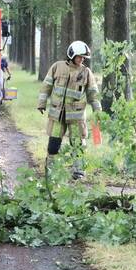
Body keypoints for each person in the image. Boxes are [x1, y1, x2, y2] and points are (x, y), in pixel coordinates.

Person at [37, 41, 101, 179]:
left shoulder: (86, 72)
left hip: (76, 117)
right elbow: (46, 85)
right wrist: (41, 103)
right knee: (54, 144)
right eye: (80, 57)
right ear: (71, 55)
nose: (82, 60)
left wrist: (98, 110)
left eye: (84, 58)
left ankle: (79, 171)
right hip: (57, 115)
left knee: (77, 143)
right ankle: (51, 170)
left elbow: (93, 93)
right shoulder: (57, 67)